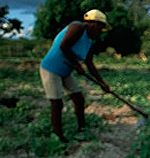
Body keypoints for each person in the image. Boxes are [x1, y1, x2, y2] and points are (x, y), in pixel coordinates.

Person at [39, 9, 111, 143]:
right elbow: (64, 45)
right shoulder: (77, 27)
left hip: (66, 71)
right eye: (101, 28)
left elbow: (89, 63)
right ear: (93, 24)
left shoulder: (89, 41)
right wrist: (77, 65)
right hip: (51, 69)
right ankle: (58, 135)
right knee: (57, 103)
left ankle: (82, 128)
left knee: (79, 99)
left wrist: (102, 83)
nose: (101, 31)